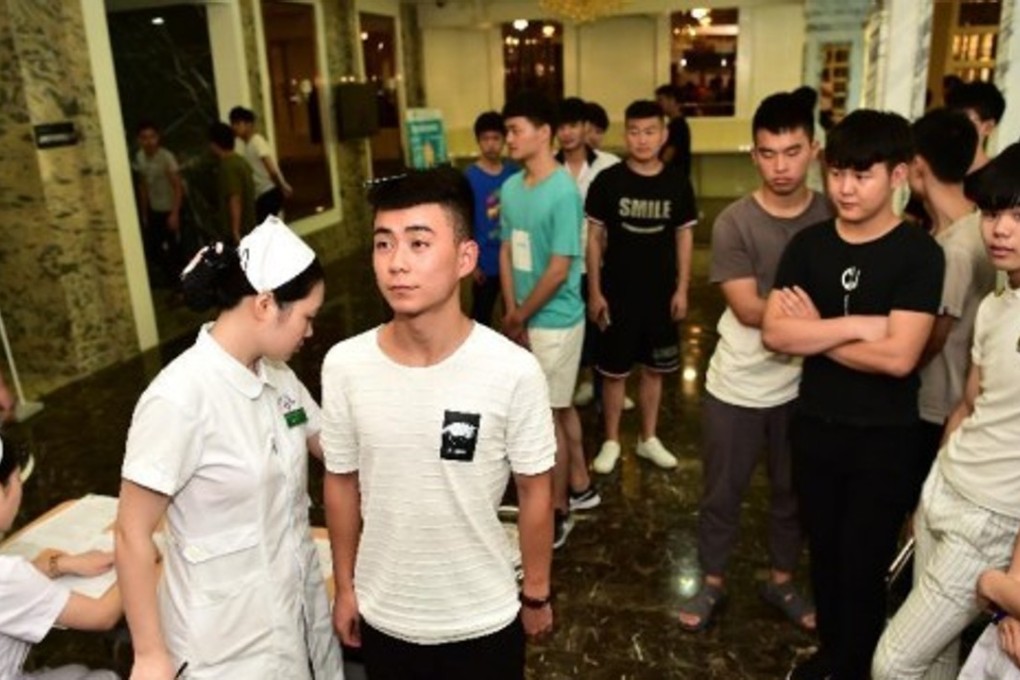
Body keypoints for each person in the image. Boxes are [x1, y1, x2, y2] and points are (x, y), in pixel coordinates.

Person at [321, 168, 555, 680]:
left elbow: (535, 489)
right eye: (384, 244)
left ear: (465, 259)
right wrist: (346, 587)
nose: (397, 263)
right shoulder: (345, 365)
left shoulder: (512, 371)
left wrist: (536, 592)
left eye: (419, 243)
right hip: (386, 615)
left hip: (485, 616)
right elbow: (340, 482)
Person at [114, 217, 342, 679]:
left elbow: (336, 449)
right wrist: (150, 655)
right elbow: (130, 533)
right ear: (266, 304)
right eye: (307, 317)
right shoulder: (179, 398)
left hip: (295, 622)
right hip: (222, 648)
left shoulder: (280, 378)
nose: (310, 332)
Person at [761, 109, 944, 680]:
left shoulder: (918, 253)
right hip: (815, 426)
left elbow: (899, 358)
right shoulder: (808, 246)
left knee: (862, 562)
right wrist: (858, 326)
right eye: (837, 173)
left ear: (898, 175)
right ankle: (833, 654)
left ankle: (855, 664)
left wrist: (816, 331)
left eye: (862, 175)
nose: (845, 188)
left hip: (884, 438)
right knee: (824, 554)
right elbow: (775, 333)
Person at [678, 92, 830, 632]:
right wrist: (824, 322)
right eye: (768, 154)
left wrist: (812, 325)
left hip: (806, 385)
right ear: (754, 155)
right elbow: (746, 308)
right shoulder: (735, 222)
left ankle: (781, 580)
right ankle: (712, 582)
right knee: (723, 491)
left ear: (814, 150)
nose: (781, 166)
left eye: (792, 152)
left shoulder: (832, 213)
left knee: (793, 491)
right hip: (738, 385)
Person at [872, 143, 1020, 680]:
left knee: (893, 662)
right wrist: (930, 487)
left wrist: (1017, 584)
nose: (1001, 230)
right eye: (991, 214)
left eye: (1018, 216)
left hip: (991, 516)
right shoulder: (996, 306)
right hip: (947, 488)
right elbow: (968, 405)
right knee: (935, 658)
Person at [585, 99, 696, 476]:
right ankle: (611, 440)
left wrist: (682, 289)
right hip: (617, 292)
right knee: (613, 372)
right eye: (634, 131)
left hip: (661, 295)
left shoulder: (677, 182)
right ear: (625, 134)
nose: (642, 139)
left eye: (650, 131)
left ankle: (648, 438)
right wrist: (595, 291)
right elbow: (594, 238)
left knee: (654, 369)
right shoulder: (608, 181)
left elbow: (684, 237)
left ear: (664, 135)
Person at [500, 91, 587, 548]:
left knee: (546, 417)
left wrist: (521, 314)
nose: (509, 139)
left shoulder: (564, 192)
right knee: (557, 406)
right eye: (507, 131)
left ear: (544, 133)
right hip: (523, 316)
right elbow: (506, 249)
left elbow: (558, 268)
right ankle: (580, 483)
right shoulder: (513, 188)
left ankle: (558, 509)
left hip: (555, 320)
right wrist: (512, 311)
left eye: (516, 130)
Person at [910, 108, 995, 499]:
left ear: (918, 165)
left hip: (938, 403)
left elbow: (933, 336)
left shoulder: (956, 249)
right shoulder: (974, 227)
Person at [0, 434, 122, 680]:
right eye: (17, 480)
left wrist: (61, 564)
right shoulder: (8, 575)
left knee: (78, 672)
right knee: (105, 678)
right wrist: (142, 555)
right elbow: (102, 615)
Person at [553, 96, 622, 419]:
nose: (567, 133)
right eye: (561, 127)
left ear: (585, 127)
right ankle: (576, 386)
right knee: (571, 333)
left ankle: (603, 390)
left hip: (601, 264)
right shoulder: (548, 168)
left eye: (573, 125)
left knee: (603, 328)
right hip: (561, 267)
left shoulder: (608, 165)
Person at [465, 111, 517, 326]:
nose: (491, 144)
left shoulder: (514, 174)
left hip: (514, 261)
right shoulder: (469, 177)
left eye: (496, 138)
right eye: (485, 139)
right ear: (478, 141)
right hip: (484, 262)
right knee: (481, 318)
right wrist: (472, 264)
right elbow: (464, 220)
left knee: (513, 316)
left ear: (504, 140)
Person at [134, 120, 184, 287]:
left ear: (158, 138)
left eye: (152, 137)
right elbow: (143, 186)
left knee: (175, 250)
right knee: (155, 249)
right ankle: (172, 283)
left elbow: (177, 186)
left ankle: (181, 288)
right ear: (139, 140)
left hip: (170, 208)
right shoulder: (140, 157)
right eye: (144, 138)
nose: (149, 141)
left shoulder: (166, 157)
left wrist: (175, 213)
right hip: (154, 209)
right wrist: (144, 213)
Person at [229, 106, 293, 223]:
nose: (234, 127)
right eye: (233, 124)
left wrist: (282, 187)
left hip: (269, 191)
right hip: (262, 194)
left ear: (249, 124)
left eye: (238, 123)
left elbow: (270, 167)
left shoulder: (257, 142)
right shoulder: (247, 146)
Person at [209, 122, 256, 243]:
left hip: (239, 230)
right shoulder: (240, 161)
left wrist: (235, 231)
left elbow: (235, 198)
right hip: (248, 225)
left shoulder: (228, 166)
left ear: (215, 144)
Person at [946, 80, 1006, 173]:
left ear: (988, 127)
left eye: (963, 119)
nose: (954, 126)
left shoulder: (998, 178)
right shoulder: (939, 172)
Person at [655, 84, 693, 181]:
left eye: (660, 100)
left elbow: (668, 154)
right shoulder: (676, 124)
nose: (658, 104)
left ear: (672, 100)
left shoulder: (677, 126)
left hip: (674, 178)